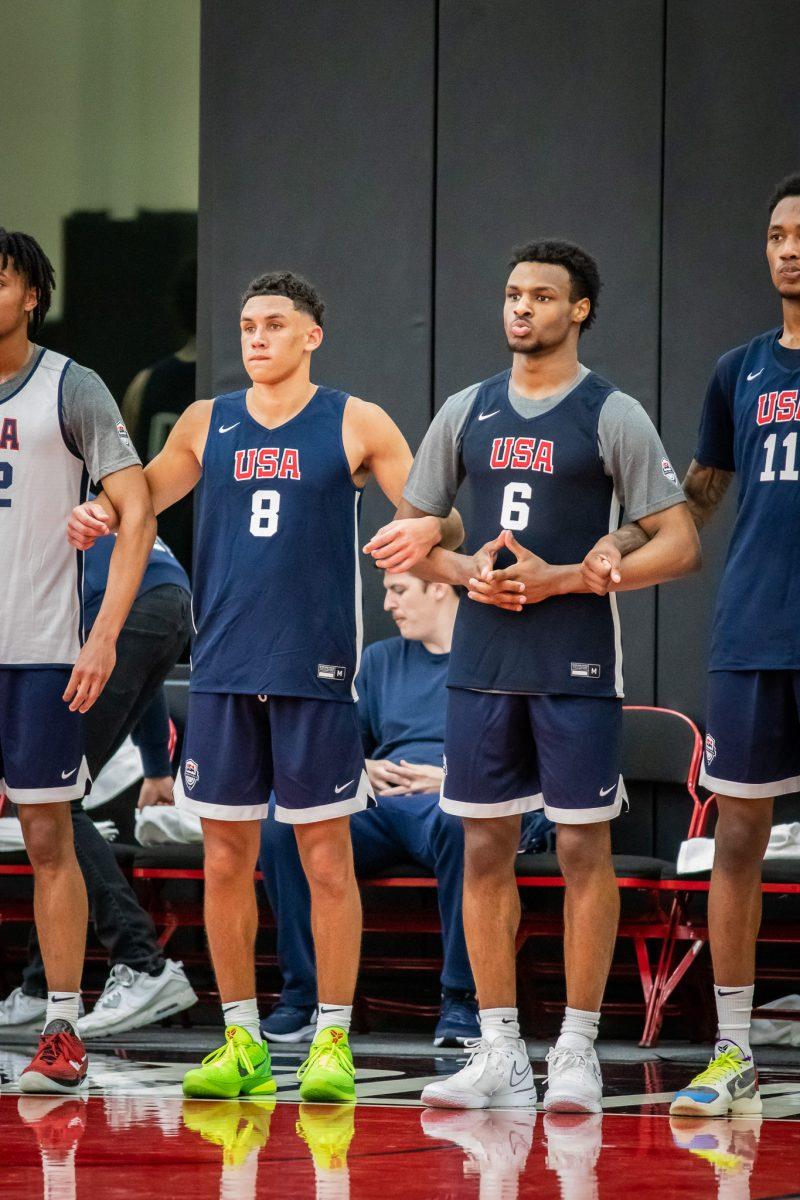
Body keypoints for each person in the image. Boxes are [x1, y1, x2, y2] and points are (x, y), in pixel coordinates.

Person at [67, 270, 462, 1103]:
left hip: (314, 672)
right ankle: (241, 1037)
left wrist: (430, 527)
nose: (256, 338)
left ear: (311, 335)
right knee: (224, 859)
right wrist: (102, 512)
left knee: (324, 859)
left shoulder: (355, 419)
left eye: (275, 325)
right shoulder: (210, 422)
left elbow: (436, 509)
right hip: (223, 671)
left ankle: (331, 1040)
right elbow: (145, 496)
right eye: (248, 325)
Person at [369, 239, 700, 1111]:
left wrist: (568, 575)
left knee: (584, 847)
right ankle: (501, 1049)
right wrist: (464, 570)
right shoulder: (467, 409)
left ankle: (580, 1050)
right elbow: (415, 533)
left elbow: (681, 541)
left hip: (575, 659)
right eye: (512, 294)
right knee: (484, 848)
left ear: (578, 310)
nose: (521, 309)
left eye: (541, 297)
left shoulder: (611, 411)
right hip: (481, 665)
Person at [261, 570, 550, 1047]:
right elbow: (341, 745)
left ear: (439, 586)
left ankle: (462, 998)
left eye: (399, 591)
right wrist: (362, 767)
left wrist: (455, 781)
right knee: (284, 819)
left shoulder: (497, 655)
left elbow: (537, 758)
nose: (389, 605)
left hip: (453, 800)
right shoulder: (379, 660)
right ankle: (304, 996)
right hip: (383, 803)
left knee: (468, 823)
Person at [0, 229, 155, 1094]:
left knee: (49, 834)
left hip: (38, 650)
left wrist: (102, 634)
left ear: (32, 295)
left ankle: (61, 1026)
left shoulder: (71, 386)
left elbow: (138, 511)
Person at [669, 174, 800, 1118]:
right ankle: (733, 1049)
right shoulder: (739, 370)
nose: (788, 249)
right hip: (754, 629)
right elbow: (700, 497)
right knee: (738, 841)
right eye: (776, 234)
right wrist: (616, 540)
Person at [0, 531, 196, 1038]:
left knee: (52, 801)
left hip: (117, 602)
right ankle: (42, 986)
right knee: (54, 803)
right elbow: (138, 666)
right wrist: (156, 767)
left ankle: (144, 964)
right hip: (170, 595)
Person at [122, 256, 197, 573]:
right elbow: (122, 478)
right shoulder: (147, 383)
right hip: (164, 555)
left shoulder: (147, 382)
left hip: (160, 557)